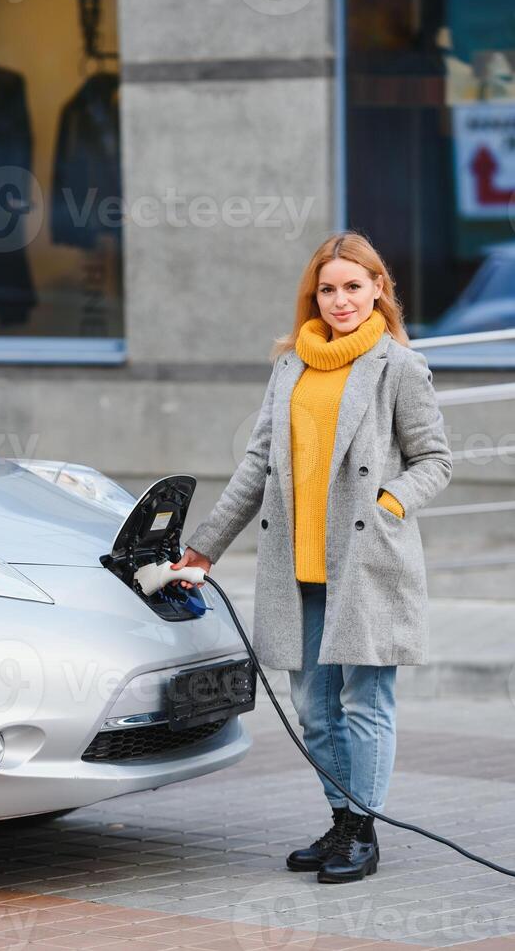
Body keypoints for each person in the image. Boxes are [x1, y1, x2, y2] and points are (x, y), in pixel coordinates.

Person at [170, 231, 453, 884]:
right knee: (315, 709)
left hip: (368, 562)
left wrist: (388, 503)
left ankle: (362, 829)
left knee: (366, 702)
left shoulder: (398, 368)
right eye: (328, 289)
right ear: (313, 296)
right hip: (298, 567)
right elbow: (255, 467)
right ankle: (339, 819)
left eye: (354, 286)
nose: (341, 300)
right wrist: (204, 548)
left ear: (379, 289)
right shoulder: (290, 366)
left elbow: (435, 461)